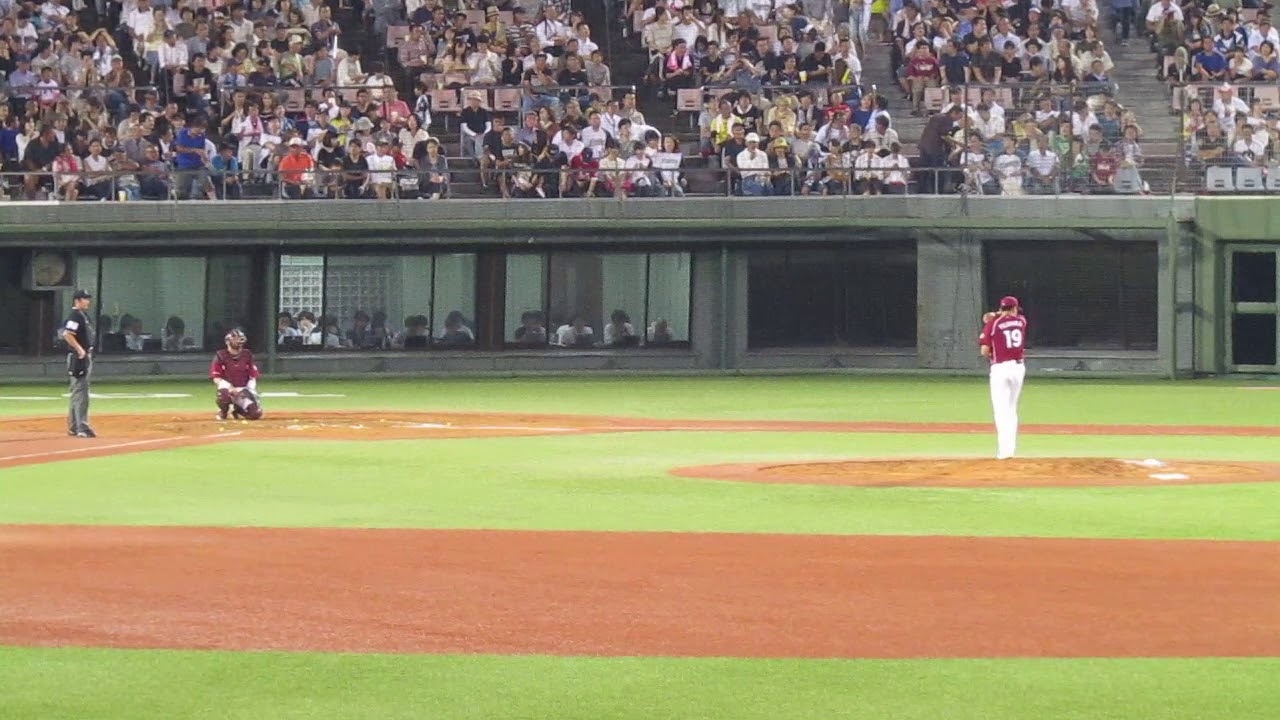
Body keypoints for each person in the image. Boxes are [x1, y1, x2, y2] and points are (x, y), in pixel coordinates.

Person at [978, 296, 1028, 460]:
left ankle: (1004, 452)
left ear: (1001, 308)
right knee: (1011, 409)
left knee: (1000, 410)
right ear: (1015, 308)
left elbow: (984, 351)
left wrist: (993, 317)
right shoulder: (1021, 321)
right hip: (1018, 368)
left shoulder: (993, 324)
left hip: (1000, 368)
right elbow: (1009, 316)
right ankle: (1010, 450)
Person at [209, 328, 264, 421]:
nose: (238, 342)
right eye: (235, 339)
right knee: (223, 395)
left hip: (243, 389)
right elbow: (216, 378)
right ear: (228, 341)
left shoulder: (247, 354)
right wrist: (229, 387)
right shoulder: (221, 355)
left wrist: (250, 390)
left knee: (255, 414)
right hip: (227, 389)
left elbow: (252, 376)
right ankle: (223, 411)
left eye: (239, 339)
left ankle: (238, 410)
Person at [62, 290, 96, 438]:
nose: (87, 301)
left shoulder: (82, 315)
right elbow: (67, 334)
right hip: (79, 357)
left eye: (88, 298)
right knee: (81, 392)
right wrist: (80, 349)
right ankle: (82, 427)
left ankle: (74, 426)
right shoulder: (75, 315)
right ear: (77, 300)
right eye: (84, 299)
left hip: (82, 356)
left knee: (77, 392)